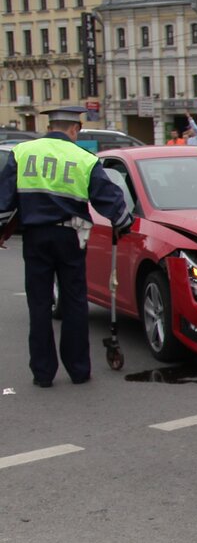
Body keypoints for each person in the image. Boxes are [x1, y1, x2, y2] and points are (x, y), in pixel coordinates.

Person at [0, 105, 133, 387]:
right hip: (71, 237)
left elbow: (4, 200)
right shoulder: (83, 158)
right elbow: (109, 200)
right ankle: (78, 370)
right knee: (74, 303)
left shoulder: (22, 153)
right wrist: (123, 223)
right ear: (75, 129)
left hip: (35, 238)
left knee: (39, 304)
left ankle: (43, 373)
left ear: (50, 127)